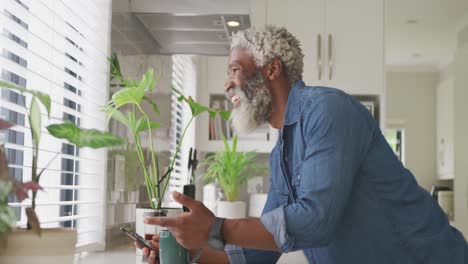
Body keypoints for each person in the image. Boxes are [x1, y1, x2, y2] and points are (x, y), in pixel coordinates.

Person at [137, 25, 468, 264]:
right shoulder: (283, 151)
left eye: (235, 69)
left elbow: (315, 221)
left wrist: (217, 228)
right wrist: (183, 254)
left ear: (272, 69)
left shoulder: (327, 110)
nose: (227, 84)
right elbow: (254, 255)